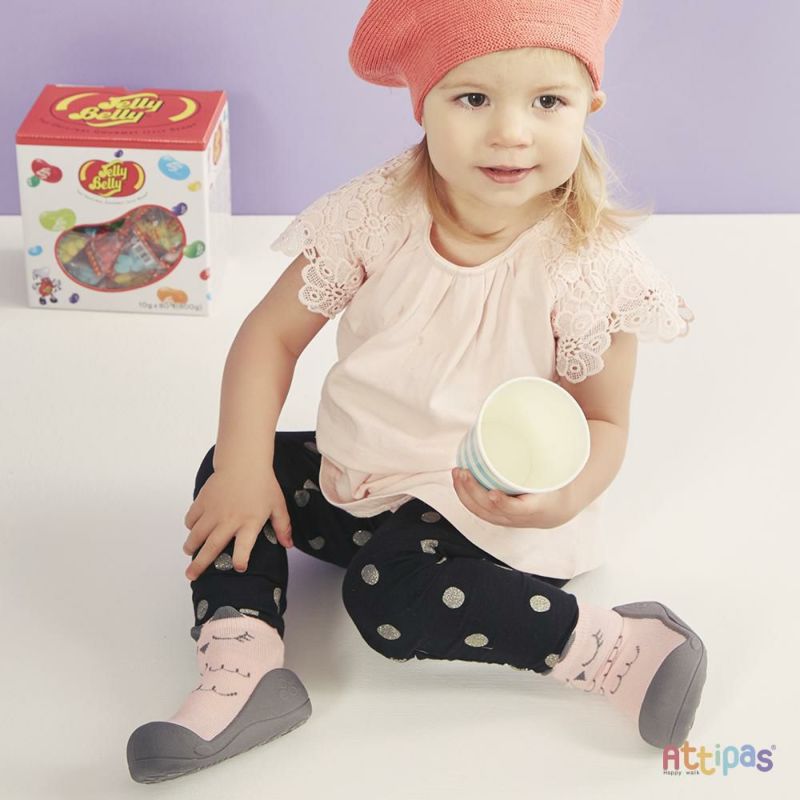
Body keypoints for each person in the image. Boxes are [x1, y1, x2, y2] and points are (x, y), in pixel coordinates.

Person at [127, 0, 707, 783]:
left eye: (547, 101)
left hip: (488, 511)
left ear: (588, 106)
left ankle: (615, 648)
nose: (510, 132)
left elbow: (603, 420)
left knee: (388, 597)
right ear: (423, 105)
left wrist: (559, 502)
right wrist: (241, 469)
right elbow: (270, 337)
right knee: (236, 465)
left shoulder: (589, 266)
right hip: (365, 477)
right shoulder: (375, 215)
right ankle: (243, 661)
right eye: (473, 98)